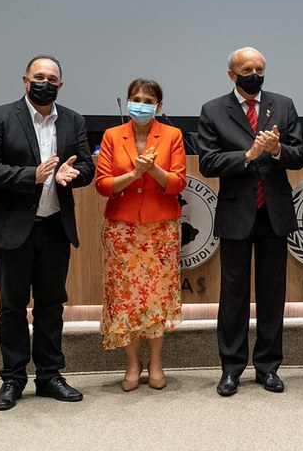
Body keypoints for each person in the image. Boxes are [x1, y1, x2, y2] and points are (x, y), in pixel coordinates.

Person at [0, 55, 96, 410]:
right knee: (12, 307)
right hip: (11, 232)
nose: (46, 82)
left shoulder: (73, 120)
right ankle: (12, 379)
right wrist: (34, 175)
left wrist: (71, 176)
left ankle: (49, 376)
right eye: (39, 77)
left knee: (51, 306)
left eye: (52, 78)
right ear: (25, 81)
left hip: (56, 229)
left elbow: (86, 166)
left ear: (61, 85)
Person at [198, 47, 303, 397]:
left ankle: (268, 367)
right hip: (236, 213)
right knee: (233, 294)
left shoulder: (283, 104)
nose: (255, 74)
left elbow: (299, 156)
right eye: (247, 69)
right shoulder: (214, 110)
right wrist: (248, 155)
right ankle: (231, 368)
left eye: (260, 68)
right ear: (232, 74)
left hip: (273, 212)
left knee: (273, 294)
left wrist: (276, 150)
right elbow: (208, 163)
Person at [95, 79, 187, 391]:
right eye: (136, 98)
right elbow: (103, 185)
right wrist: (133, 174)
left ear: (158, 106)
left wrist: (152, 170)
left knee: (156, 299)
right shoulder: (111, 135)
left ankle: (156, 363)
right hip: (121, 230)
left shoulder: (172, 135)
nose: (141, 104)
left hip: (160, 230)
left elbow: (177, 183)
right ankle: (132, 364)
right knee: (126, 300)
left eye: (148, 100)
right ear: (127, 100)